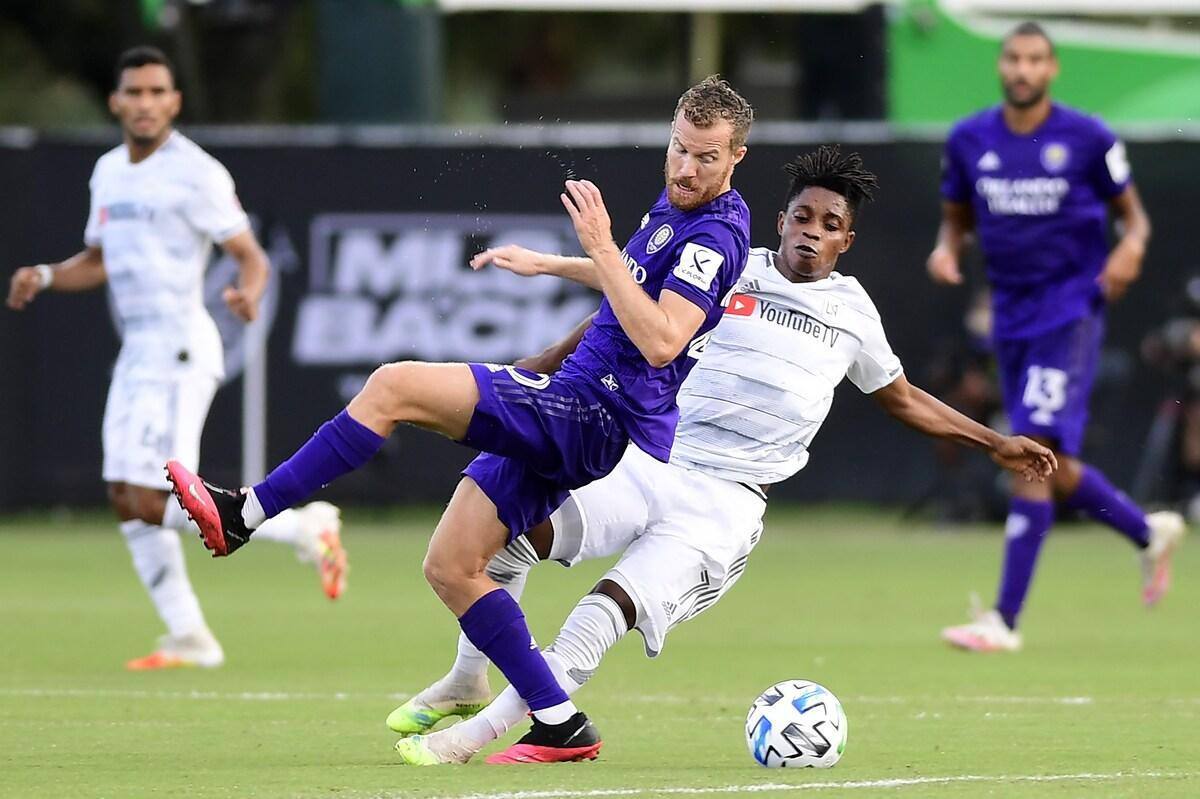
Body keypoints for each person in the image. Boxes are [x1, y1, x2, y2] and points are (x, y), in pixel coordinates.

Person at [387, 146, 1057, 765]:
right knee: (508, 534)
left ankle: (480, 736)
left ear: (846, 240)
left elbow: (904, 399)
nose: (812, 231)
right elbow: (630, 296)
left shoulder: (853, 313)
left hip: (724, 504)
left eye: (830, 224)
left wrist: (995, 441)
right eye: (803, 217)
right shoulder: (734, 266)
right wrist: (545, 333)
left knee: (606, 609)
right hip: (649, 459)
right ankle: (467, 677)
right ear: (781, 221)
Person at [166, 75, 754, 761]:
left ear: (736, 156)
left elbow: (661, 338)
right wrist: (551, 264)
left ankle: (246, 512)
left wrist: (598, 245)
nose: (686, 168)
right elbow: (638, 278)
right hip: (579, 407)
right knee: (451, 565)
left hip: (587, 413)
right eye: (679, 148)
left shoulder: (717, 234)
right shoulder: (682, 204)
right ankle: (560, 720)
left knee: (392, 387)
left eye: (706, 157)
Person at [5, 47, 348, 670]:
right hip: (138, 350)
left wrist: (250, 293)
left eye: (156, 92)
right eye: (134, 92)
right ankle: (188, 633)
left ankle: (304, 528)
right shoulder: (108, 171)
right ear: (116, 101)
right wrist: (48, 275)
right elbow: (99, 260)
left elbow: (251, 256)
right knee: (124, 495)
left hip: (180, 346)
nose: (145, 103)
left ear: (174, 102)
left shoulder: (197, 172)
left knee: (155, 497)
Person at [927, 22, 1185, 653]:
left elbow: (1134, 219)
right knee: (1048, 462)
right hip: (1010, 317)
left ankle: (1004, 620)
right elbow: (956, 215)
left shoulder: (1087, 136)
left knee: (1030, 451)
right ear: (1001, 66)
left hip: (1069, 312)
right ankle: (1147, 532)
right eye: (1014, 58)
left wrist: (1130, 249)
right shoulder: (969, 139)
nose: (1023, 69)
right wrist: (946, 248)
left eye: (1035, 59)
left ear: (1052, 69)